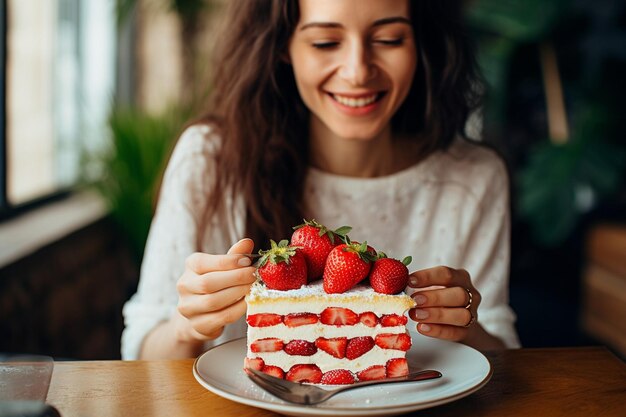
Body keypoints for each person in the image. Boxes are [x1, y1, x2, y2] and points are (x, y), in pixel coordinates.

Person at [121, 0, 520, 360]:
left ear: (422, 43)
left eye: (388, 39)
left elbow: (505, 356)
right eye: (326, 43)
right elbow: (141, 356)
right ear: (282, 47)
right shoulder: (211, 160)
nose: (358, 71)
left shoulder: (474, 178)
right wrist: (187, 326)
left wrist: (469, 327)